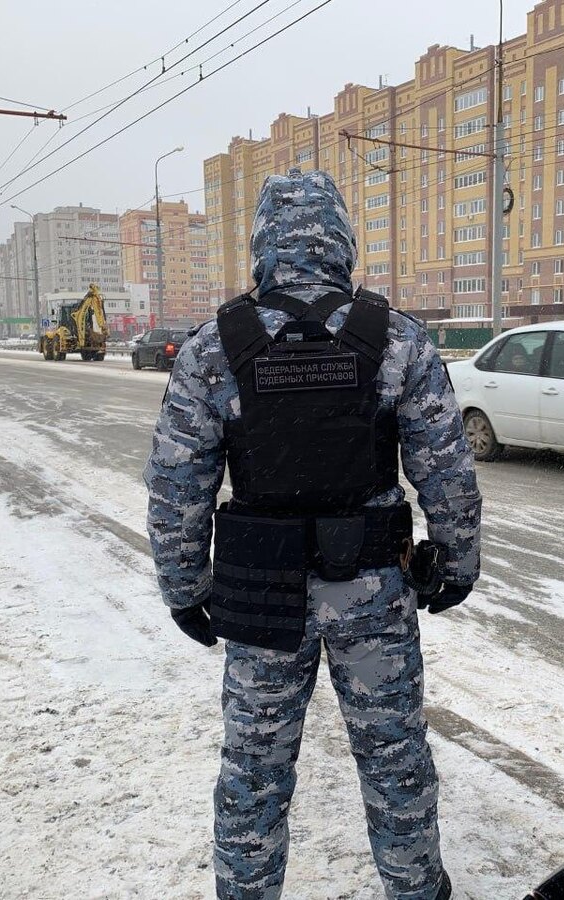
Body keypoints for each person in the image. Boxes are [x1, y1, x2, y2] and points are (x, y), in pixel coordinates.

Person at [145, 168, 481, 900]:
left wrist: (184, 588)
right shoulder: (395, 339)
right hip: (372, 590)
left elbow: (177, 487)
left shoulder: (214, 347)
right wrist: (457, 562)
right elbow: (446, 469)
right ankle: (417, 891)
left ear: (263, 243)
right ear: (342, 239)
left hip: (260, 596)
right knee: (395, 762)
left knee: (254, 772)